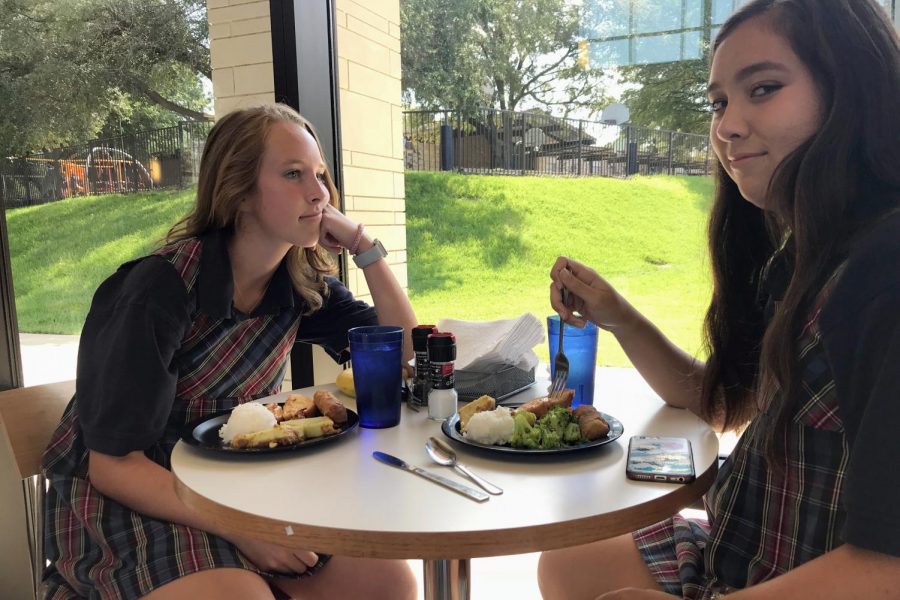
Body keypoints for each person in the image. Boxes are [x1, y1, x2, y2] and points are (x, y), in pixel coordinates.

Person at [539, 0, 900, 598]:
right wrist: (618, 315)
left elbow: (886, 568)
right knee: (566, 557)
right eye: (719, 103)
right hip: (739, 557)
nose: (727, 126)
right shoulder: (801, 261)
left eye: (763, 88)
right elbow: (719, 401)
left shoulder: (881, 274)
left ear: (853, 87)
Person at [41, 104, 419, 599]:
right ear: (239, 192)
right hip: (139, 494)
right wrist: (241, 530)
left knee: (387, 583)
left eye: (320, 176)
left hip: (235, 478)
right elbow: (112, 465)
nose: (319, 193)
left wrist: (364, 248)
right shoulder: (158, 290)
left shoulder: (298, 283)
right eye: (293, 174)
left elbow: (408, 351)